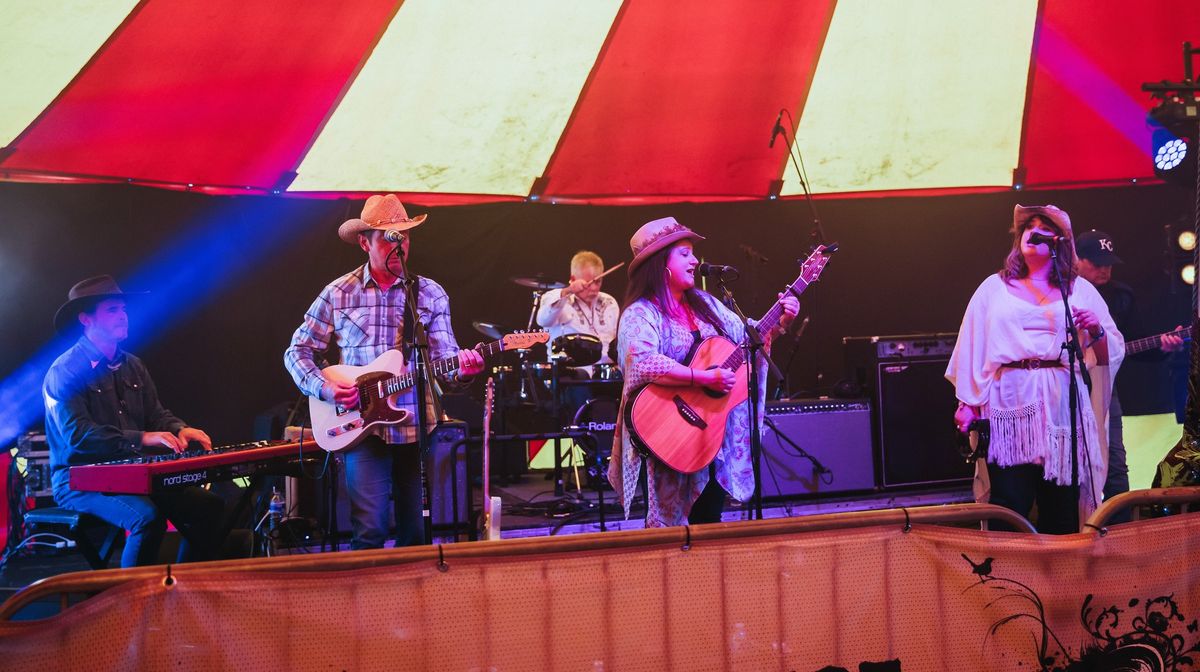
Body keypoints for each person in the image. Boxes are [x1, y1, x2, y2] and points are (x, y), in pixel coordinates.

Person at [285, 195, 484, 550]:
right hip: (360, 427)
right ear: (365, 243)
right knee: (370, 530)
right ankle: (366, 604)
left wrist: (465, 370)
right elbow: (297, 351)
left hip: (416, 426)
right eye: (388, 237)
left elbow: (446, 360)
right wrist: (325, 390)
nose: (399, 244)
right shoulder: (338, 292)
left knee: (417, 532)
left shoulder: (429, 294)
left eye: (403, 236)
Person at [608, 217, 798, 527]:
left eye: (692, 253)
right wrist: (702, 378)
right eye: (684, 253)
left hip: (707, 440)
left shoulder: (706, 305)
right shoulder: (640, 313)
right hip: (667, 436)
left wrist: (779, 322)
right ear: (660, 263)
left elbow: (747, 340)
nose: (695, 260)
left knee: (709, 522)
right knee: (669, 537)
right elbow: (643, 361)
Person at [947, 205, 1125, 534]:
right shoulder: (993, 288)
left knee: (1060, 504)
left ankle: (1061, 581)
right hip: (1009, 405)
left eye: (1043, 227)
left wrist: (1097, 329)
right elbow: (971, 346)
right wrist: (967, 403)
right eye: (1029, 226)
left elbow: (1106, 355)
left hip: (1062, 406)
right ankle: (1009, 581)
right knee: (1010, 501)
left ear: (1059, 242)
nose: (1033, 230)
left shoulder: (1079, 290)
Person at [43, 275, 226, 567]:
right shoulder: (64, 371)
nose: (123, 316)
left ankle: (183, 585)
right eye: (112, 310)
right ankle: (132, 603)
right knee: (146, 518)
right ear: (86, 319)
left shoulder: (133, 365)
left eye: (123, 310)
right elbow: (78, 436)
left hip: (133, 474)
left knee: (210, 507)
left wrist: (180, 428)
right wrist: (141, 438)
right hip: (78, 479)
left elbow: (156, 415)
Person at [1074, 230, 1185, 515]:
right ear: (1076, 259)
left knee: (1115, 463)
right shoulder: (1062, 293)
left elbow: (1134, 341)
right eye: (1097, 263)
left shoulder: (1121, 296)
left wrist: (1164, 347)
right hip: (1066, 386)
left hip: (1104, 388)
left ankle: (1120, 530)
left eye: (1108, 263)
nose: (1104, 269)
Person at [536, 250, 620, 375]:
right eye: (589, 283)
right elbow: (543, 320)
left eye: (598, 281)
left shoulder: (609, 301)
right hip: (570, 374)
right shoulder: (555, 297)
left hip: (605, 372)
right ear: (573, 279)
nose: (594, 288)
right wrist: (568, 290)